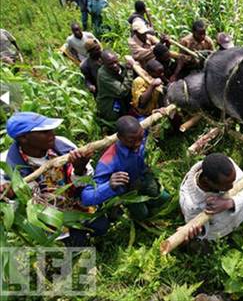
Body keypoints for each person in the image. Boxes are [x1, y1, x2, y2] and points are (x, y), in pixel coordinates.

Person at [0, 112, 109, 246]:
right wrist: (11, 194)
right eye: (44, 131)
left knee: (101, 226)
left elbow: (85, 183)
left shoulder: (62, 145)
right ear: (23, 138)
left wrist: (80, 168)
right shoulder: (7, 165)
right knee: (75, 244)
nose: (52, 133)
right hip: (47, 216)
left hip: (74, 203)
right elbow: (13, 208)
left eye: (50, 129)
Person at [81, 116, 170, 220]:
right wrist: (109, 186)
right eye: (131, 141)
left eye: (141, 138)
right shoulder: (108, 162)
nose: (138, 144)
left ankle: (150, 201)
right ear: (119, 137)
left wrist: (159, 113)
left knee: (165, 198)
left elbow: (146, 119)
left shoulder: (139, 132)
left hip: (143, 178)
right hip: (128, 191)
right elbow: (86, 197)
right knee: (143, 214)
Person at [179, 153, 243, 241]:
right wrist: (200, 230)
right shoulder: (190, 203)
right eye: (225, 185)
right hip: (219, 234)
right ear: (207, 181)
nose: (231, 187)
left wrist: (229, 203)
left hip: (237, 218)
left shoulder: (226, 167)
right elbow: (201, 229)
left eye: (233, 181)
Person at [96, 50, 134, 124]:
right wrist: (129, 72)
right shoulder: (103, 75)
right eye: (110, 64)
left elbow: (123, 66)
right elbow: (122, 91)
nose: (115, 65)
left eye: (116, 62)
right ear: (103, 63)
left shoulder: (117, 65)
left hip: (120, 99)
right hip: (110, 103)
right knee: (116, 122)